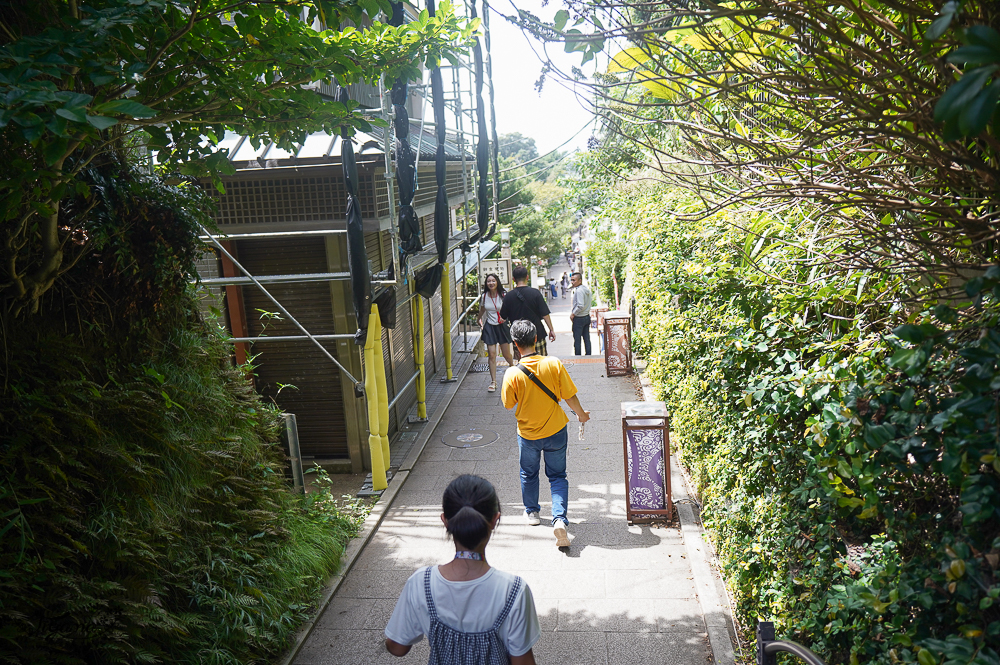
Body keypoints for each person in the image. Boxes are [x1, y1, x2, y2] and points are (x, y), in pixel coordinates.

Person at [384, 475, 541, 665]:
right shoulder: (514, 590)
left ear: (445, 521)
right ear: (494, 520)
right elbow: (523, 662)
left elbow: (397, 647)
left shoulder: (421, 582)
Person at [501, 320, 590, 548]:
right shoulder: (553, 363)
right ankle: (559, 519)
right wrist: (581, 414)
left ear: (515, 344)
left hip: (528, 434)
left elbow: (508, 405)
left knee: (528, 474)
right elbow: (569, 395)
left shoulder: (512, 373)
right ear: (535, 339)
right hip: (556, 430)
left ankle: (532, 512)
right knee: (558, 476)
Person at [500, 265, 555, 360]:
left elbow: (503, 317)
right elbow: (545, 314)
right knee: (541, 361)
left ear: (513, 279)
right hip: (537, 333)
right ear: (527, 277)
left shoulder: (508, 296)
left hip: (518, 335)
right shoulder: (535, 293)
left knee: (523, 365)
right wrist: (551, 330)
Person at [477, 273, 514, 393]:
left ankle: (512, 367)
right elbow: (482, 309)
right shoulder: (484, 296)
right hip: (490, 327)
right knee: (492, 354)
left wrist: (507, 317)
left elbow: (510, 309)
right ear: (486, 284)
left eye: (493, 281)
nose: (491, 283)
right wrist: (479, 318)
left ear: (497, 282)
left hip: (502, 326)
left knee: (506, 354)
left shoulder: (503, 295)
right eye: (489, 281)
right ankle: (493, 381)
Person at [569, 272, 592, 356]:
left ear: (580, 280)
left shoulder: (579, 291)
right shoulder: (586, 289)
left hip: (579, 318)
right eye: (571, 280)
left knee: (577, 340)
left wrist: (573, 314)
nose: (572, 282)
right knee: (586, 338)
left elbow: (580, 305)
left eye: (574, 280)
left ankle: (578, 357)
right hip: (586, 316)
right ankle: (588, 355)